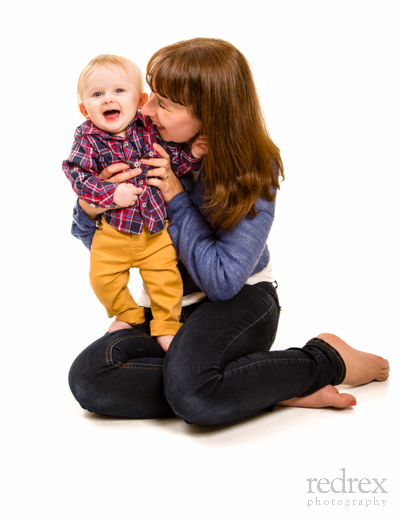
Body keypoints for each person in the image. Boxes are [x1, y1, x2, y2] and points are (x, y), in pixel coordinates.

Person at [68, 38, 389, 425]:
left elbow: (222, 281)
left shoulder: (253, 171)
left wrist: (174, 196)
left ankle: (326, 358)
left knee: (192, 394)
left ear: (209, 113)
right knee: (91, 377)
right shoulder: (142, 148)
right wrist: (93, 206)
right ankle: (261, 387)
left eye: (164, 103)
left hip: (241, 299)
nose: (146, 108)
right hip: (169, 304)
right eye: (151, 97)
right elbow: (108, 246)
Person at [62, 54, 203, 348]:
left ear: (140, 100)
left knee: (166, 280)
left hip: (154, 229)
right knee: (101, 279)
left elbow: (172, 160)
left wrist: (193, 156)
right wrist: (110, 195)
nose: (107, 100)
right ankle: (129, 313)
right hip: (113, 233)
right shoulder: (87, 137)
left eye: (118, 91)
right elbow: (76, 173)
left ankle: (166, 324)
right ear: (83, 108)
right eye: (97, 94)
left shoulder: (149, 129)